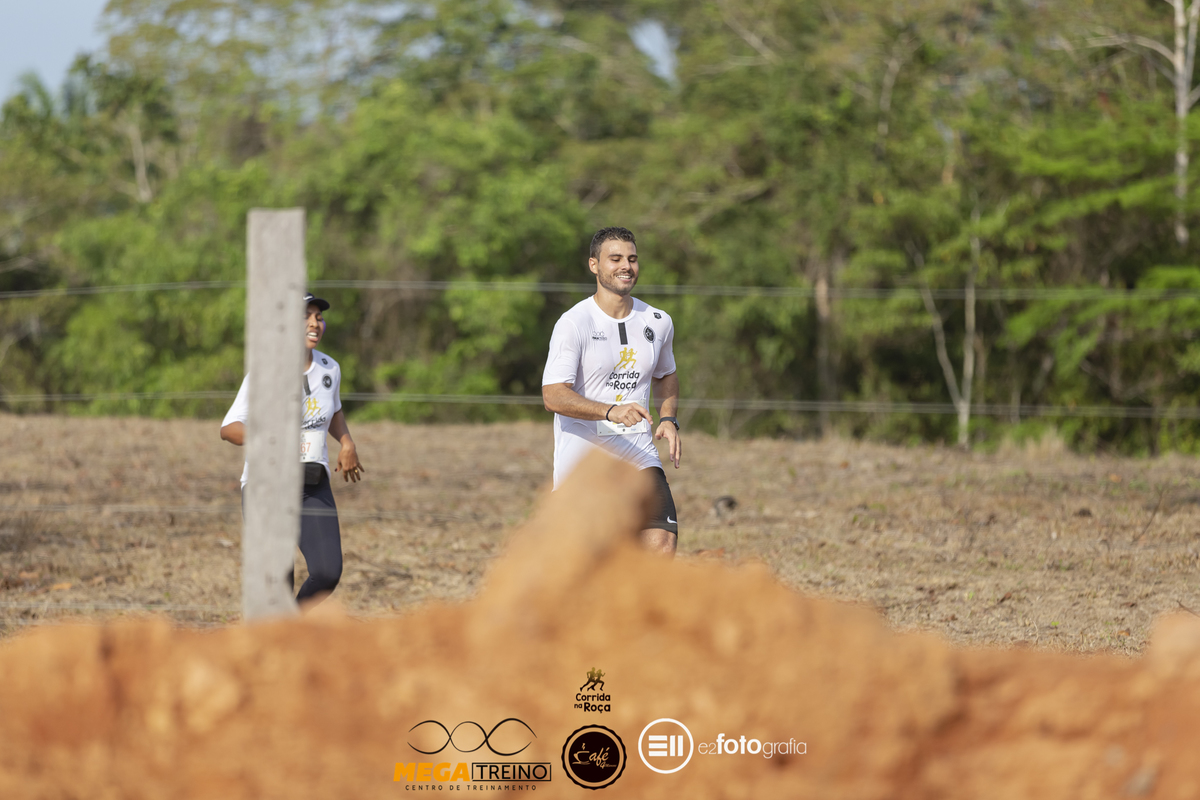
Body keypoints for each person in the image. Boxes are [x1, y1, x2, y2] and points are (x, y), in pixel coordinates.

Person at [542, 226, 682, 556]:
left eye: (632, 259)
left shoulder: (658, 321)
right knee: (586, 561)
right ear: (594, 265)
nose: (626, 266)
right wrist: (609, 411)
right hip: (584, 460)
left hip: (638, 454)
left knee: (661, 545)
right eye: (615, 258)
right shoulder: (574, 323)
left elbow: (666, 375)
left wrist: (668, 418)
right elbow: (553, 395)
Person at [220, 292, 364, 605]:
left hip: (312, 485)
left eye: (318, 317)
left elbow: (334, 411)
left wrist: (347, 442)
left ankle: (292, 625)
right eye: (305, 317)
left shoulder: (330, 369)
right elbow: (229, 428)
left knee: (327, 571)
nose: (314, 323)